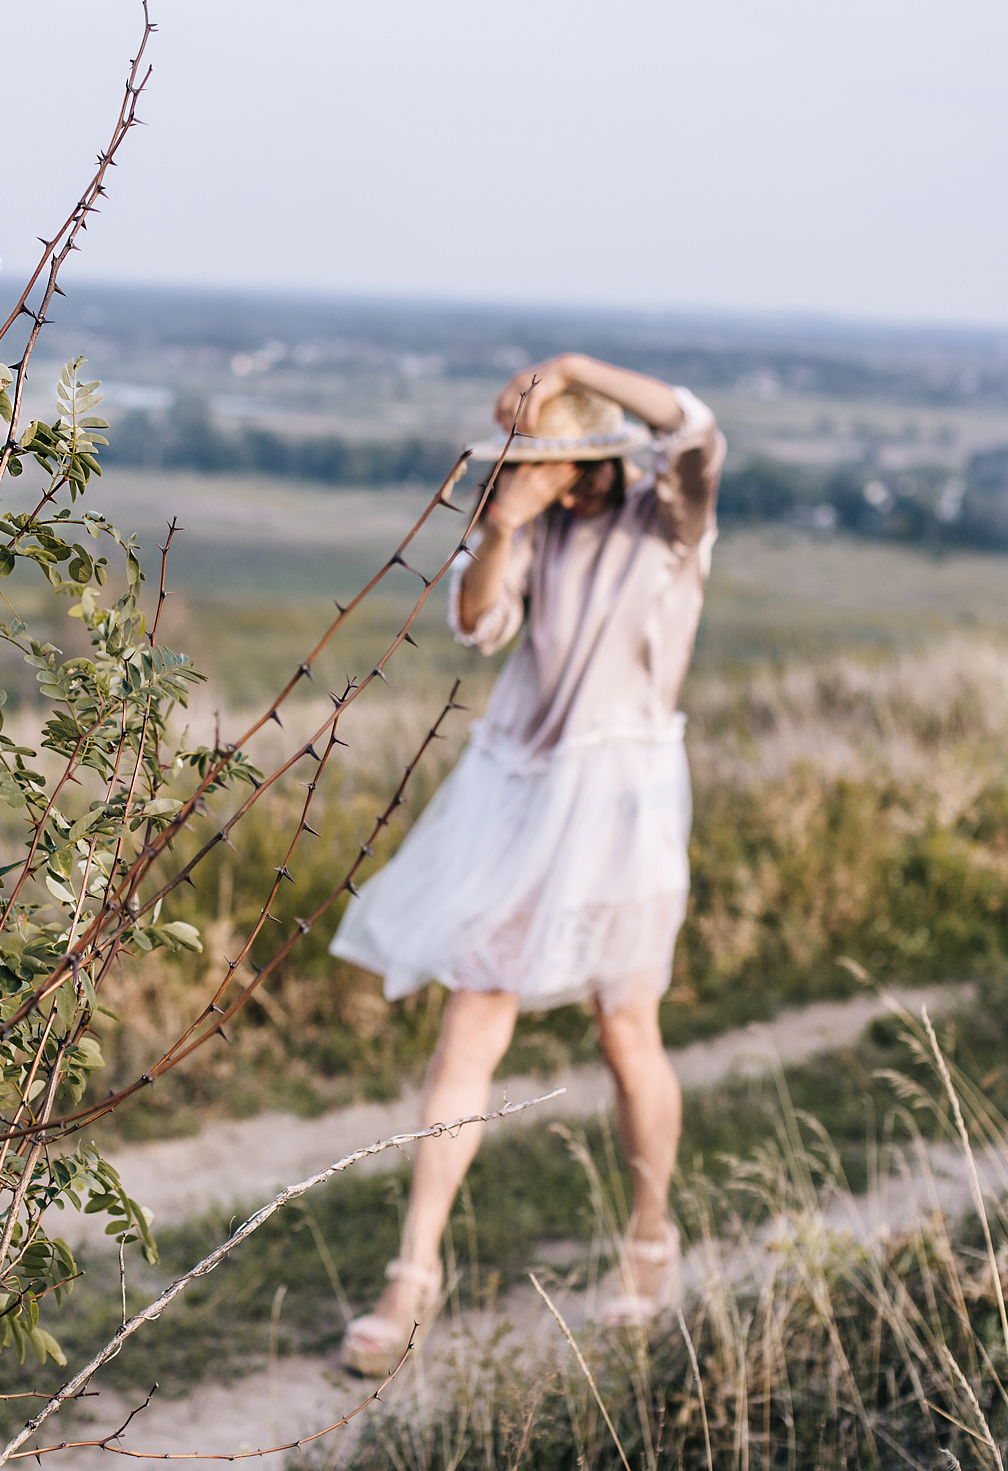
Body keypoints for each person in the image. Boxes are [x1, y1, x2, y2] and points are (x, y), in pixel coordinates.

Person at [328, 353, 725, 1374]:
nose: (540, 472)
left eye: (554, 457)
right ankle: (412, 1274)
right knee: (472, 1019)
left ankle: (649, 1238)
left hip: (623, 799)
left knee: (625, 1025)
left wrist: (577, 367)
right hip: (521, 795)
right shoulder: (533, 525)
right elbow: (478, 624)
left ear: (594, 451)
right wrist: (504, 520)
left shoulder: (666, 513)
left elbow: (694, 423)